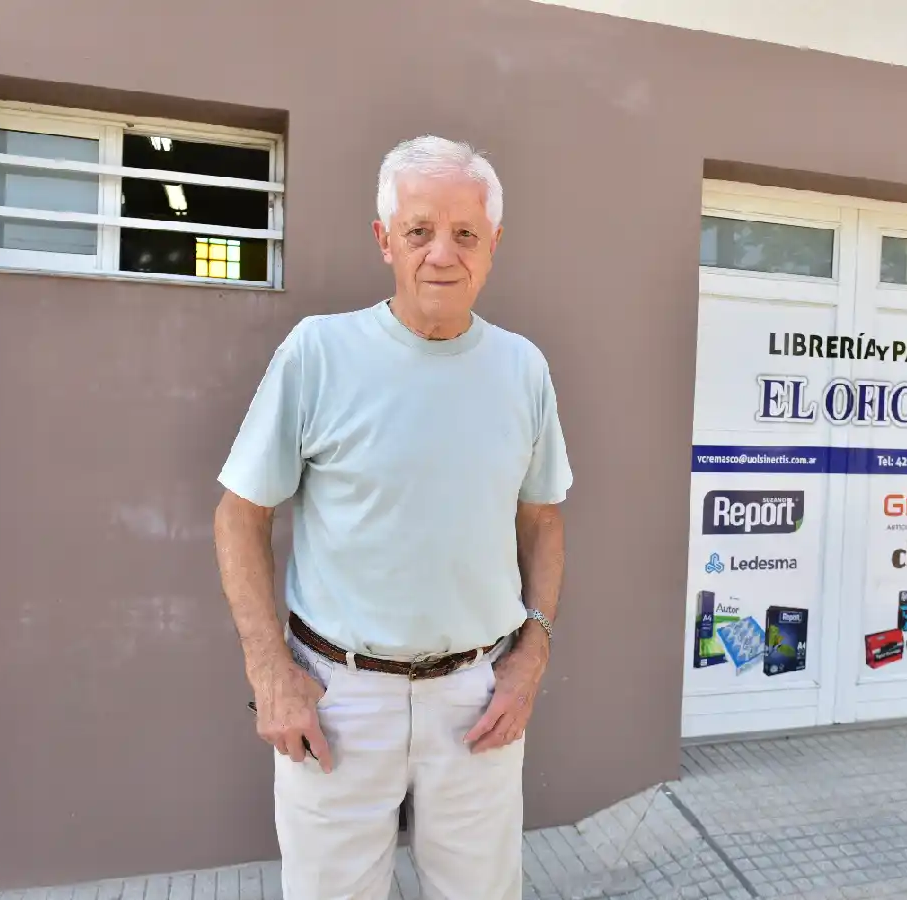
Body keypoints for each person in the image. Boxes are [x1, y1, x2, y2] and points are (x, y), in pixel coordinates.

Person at [212, 135, 572, 900]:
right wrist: (269, 673)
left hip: (477, 698)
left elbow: (541, 521)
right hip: (337, 699)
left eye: (465, 233)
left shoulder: (523, 369)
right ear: (384, 240)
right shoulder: (318, 353)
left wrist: (531, 657)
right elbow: (239, 515)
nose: (442, 253)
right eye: (419, 231)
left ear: (494, 244)